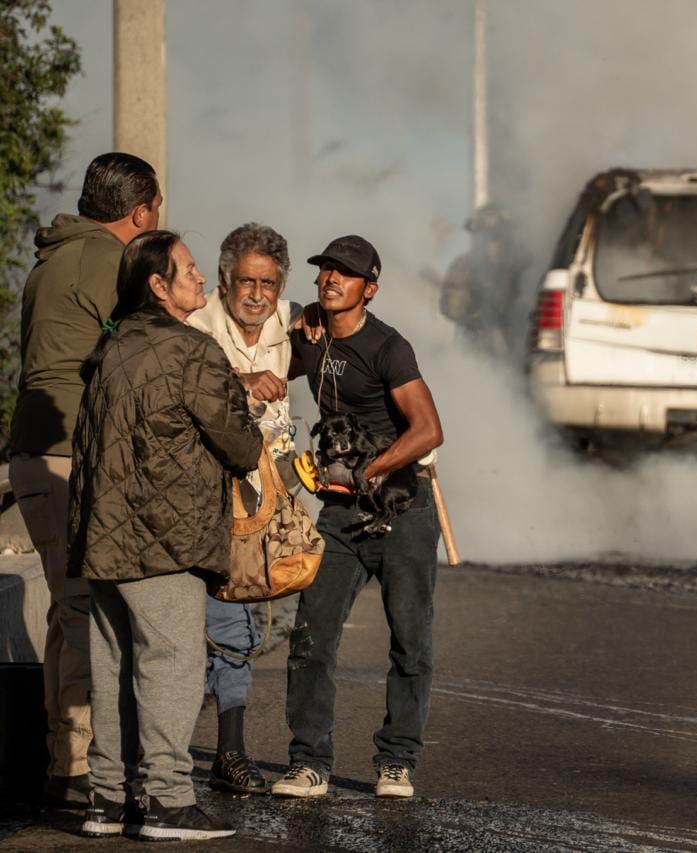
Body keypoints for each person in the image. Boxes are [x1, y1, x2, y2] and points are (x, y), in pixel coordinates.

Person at [69, 230, 261, 841]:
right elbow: (240, 445)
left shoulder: (110, 348)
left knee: (113, 668)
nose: (203, 279)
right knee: (172, 665)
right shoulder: (190, 349)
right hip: (165, 541)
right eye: (190, 269)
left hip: (104, 541)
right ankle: (168, 802)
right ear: (159, 285)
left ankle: (107, 800)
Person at [9, 152, 161, 807]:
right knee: (88, 612)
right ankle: (86, 773)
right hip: (72, 452)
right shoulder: (109, 259)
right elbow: (148, 349)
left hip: (37, 453)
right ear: (140, 211)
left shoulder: (53, 259)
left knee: (66, 607)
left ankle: (65, 764)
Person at [273, 235, 444, 800]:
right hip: (340, 513)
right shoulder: (310, 336)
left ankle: (397, 762)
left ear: (369, 288)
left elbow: (428, 430)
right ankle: (309, 763)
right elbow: (261, 357)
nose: (331, 278)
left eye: (345, 273)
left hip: (401, 505)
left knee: (410, 642)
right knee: (311, 636)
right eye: (326, 269)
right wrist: (294, 328)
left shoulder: (388, 347)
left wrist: (369, 471)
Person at [186, 222, 298, 795]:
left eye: (268, 284)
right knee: (202, 628)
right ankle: (180, 759)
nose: (257, 295)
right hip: (200, 500)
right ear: (224, 280)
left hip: (259, 506)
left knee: (238, 621)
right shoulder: (194, 325)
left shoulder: (291, 325)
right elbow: (177, 379)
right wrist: (241, 381)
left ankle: (226, 752)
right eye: (247, 282)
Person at [438, 203, 530, 356]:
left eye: (497, 237)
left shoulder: (521, 264)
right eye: (487, 237)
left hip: (517, 343)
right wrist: (473, 309)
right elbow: (450, 308)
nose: (492, 244)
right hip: (475, 344)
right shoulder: (464, 266)